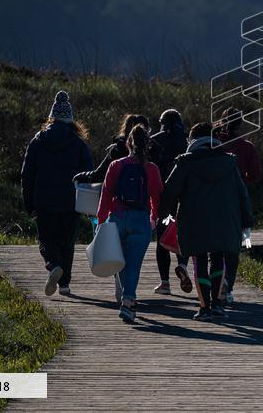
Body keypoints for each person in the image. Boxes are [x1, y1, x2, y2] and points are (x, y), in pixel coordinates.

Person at [161, 122, 254, 321]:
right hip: (224, 221)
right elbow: (242, 194)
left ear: (192, 140)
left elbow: (170, 191)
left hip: (194, 221)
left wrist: (164, 216)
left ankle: (204, 308)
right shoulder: (229, 163)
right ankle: (218, 305)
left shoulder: (185, 163)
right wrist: (247, 221)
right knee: (218, 259)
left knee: (200, 261)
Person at [21, 91, 93, 297]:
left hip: (44, 201)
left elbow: (27, 175)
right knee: (67, 242)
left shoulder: (38, 141)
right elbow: (89, 174)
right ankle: (65, 285)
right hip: (71, 201)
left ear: (51, 117)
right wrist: (89, 205)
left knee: (46, 239)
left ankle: (53, 265)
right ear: (71, 119)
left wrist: (29, 204)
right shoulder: (79, 144)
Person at [97, 124, 162, 323]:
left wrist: (101, 220)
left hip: (117, 217)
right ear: (147, 144)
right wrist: (154, 217)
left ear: (128, 143)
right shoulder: (151, 168)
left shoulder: (116, 165)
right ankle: (128, 300)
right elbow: (157, 195)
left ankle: (128, 300)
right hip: (140, 219)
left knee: (121, 263)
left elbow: (106, 194)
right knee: (134, 264)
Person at [214, 107, 263, 304]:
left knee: (214, 246)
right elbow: (257, 175)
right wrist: (243, 182)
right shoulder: (247, 147)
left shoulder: (215, 144)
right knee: (233, 247)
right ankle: (229, 286)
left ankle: (215, 284)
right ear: (240, 124)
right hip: (235, 202)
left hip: (213, 200)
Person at [149, 108, 192, 295]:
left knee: (162, 239)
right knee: (183, 234)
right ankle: (182, 264)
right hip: (185, 196)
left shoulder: (155, 140)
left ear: (162, 122)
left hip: (162, 196)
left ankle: (165, 283)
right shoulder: (187, 141)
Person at [76, 114, 152, 184]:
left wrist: (81, 176)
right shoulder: (154, 151)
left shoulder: (117, 149)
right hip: (146, 198)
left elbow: (99, 175)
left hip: (119, 197)